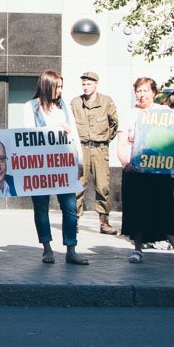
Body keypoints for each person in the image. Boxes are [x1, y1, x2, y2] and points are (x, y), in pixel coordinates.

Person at [116, 77, 174, 266]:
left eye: (145, 90)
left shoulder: (164, 112)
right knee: (138, 211)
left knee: (165, 210)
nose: (142, 94)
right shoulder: (131, 114)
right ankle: (137, 250)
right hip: (136, 171)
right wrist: (126, 163)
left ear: (153, 92)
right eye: (139, 91)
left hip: (159, 172)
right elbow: (122, 140)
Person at [26, 70, 87, 265]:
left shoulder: (64, 107)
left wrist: (79, 162)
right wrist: (54, 130)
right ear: (46, 86)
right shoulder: (31, 107)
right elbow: (29, 135)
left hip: (64, 163)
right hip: (41, 165)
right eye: (57, 87)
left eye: (61, 87)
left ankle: (71, 248)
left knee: (70, 207)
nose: (59, 91)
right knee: (41, 207)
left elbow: (74, 135)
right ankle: (47, 248)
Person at [70, 71, 119, 235]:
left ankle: (104, 223)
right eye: (83, 84)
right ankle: (74, 221)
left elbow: (114, 122)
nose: (85, 87)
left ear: (96, 84)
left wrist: (105, 139)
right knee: (78, 186)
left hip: (100, 149)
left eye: (89, 84)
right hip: (81, 149)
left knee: (103, 186)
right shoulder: (76, 103)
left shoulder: (106, 101)